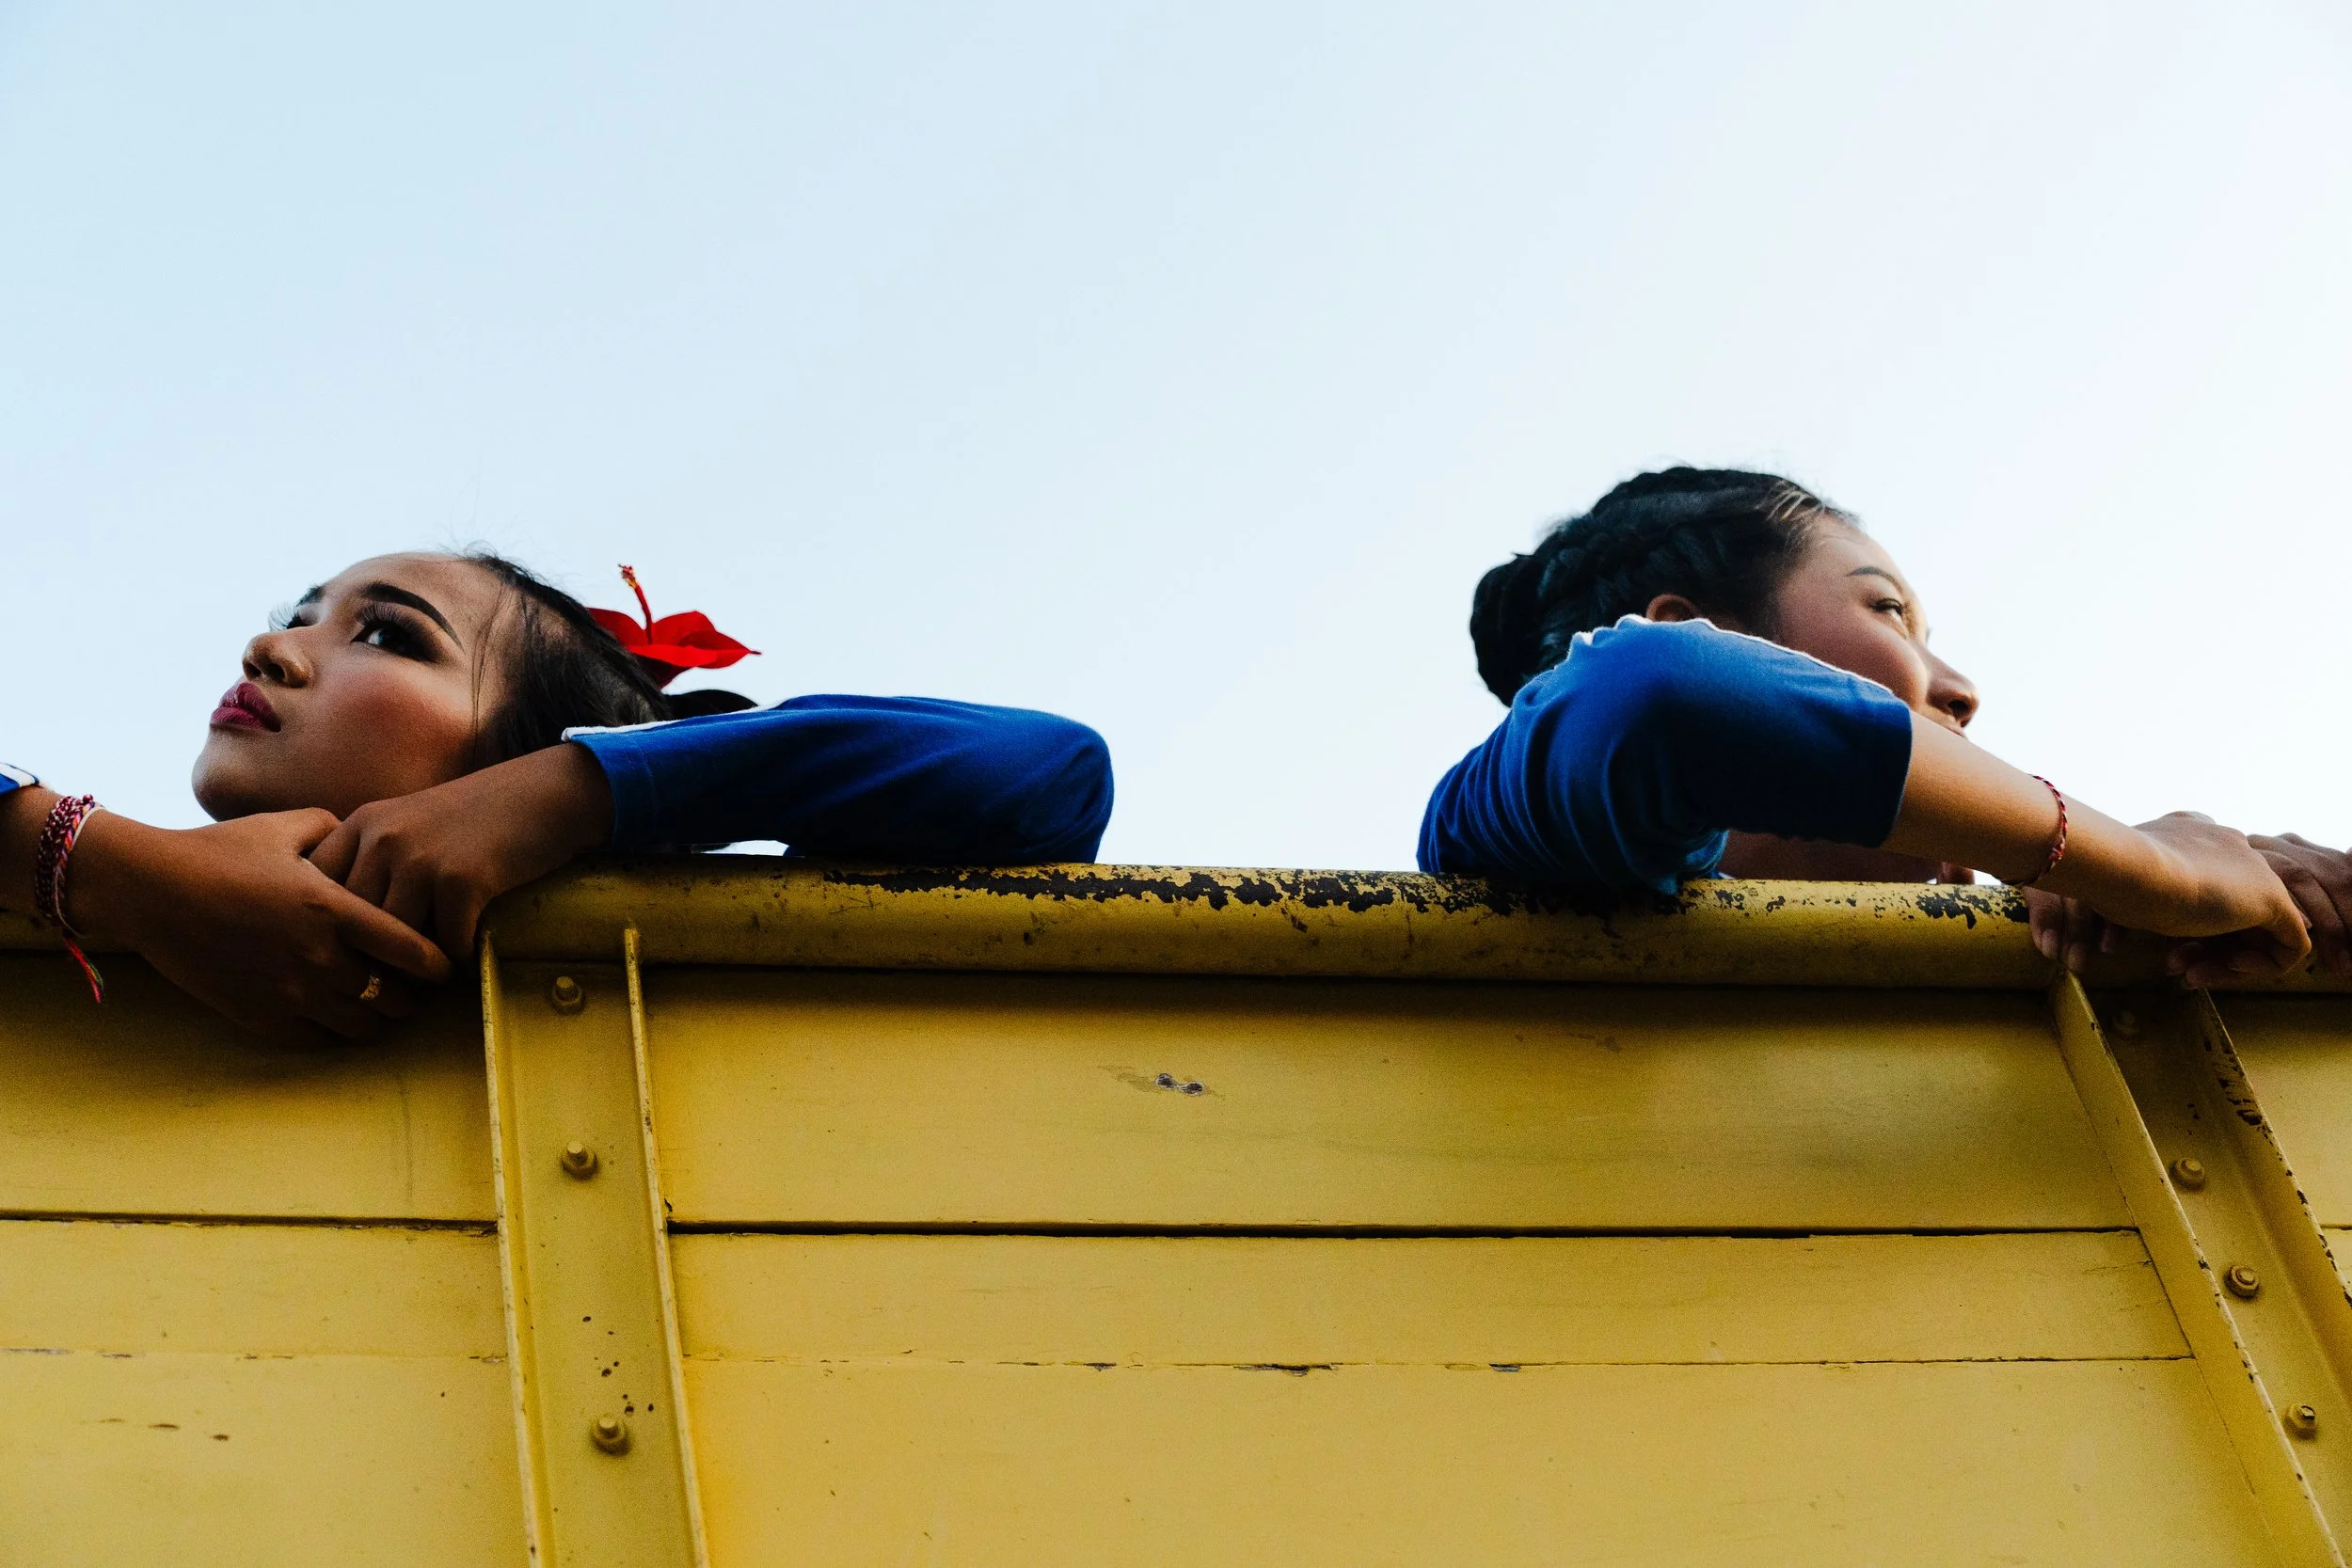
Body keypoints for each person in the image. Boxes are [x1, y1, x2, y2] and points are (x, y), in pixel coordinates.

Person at [0, 552, 1113, 1042]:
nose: (272, 645)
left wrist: (578, 785)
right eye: (301, 609)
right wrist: (95, 862)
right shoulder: (79, 901)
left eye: (386, 633)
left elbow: (1052, 774)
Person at [1422, 467, 2317, 986]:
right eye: (1888, 611)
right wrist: (2136, 862)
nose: (1961, 689)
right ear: (1704, 626)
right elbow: (1653, 691)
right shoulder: (1497, 828)